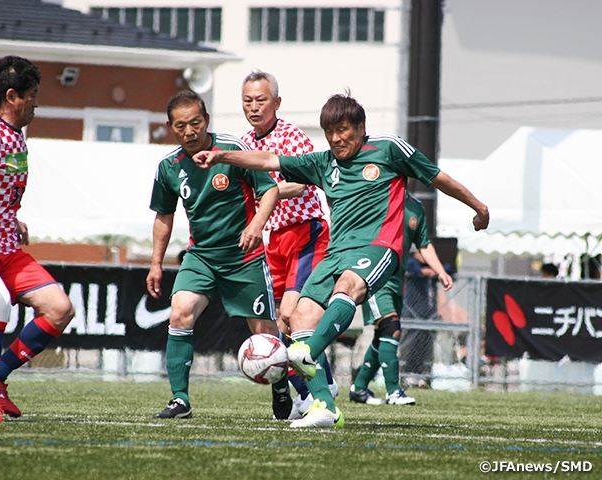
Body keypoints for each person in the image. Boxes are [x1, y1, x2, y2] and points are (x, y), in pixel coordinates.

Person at [193, 92, 489, 428]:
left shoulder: (389, 149)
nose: (336, 138)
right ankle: (325, 407)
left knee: (346, 289)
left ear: (361, 127)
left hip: (377, 249)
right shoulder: (323, 163)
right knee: (299, 316)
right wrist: (220, 156)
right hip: (335, 253)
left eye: (343, 130)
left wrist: (479, 208)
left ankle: (308, 354)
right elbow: (268, 161)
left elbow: (438, 178)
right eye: (330, 132)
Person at [146, 90, 288, 420]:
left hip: (244, 256)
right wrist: (155, 263)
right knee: (179, 313)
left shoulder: (232, 150)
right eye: (181, 125)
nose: (190, 131)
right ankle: (180, 400)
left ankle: (281, 387)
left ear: (206, 120)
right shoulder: (168, 167)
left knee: (264, 331)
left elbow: (270, 189)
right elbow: (163, 217)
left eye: (196, 122)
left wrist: (255, 225)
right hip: (201, 256)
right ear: (171, 127)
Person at [0, 56, 75, 423]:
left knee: (60, 309)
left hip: (6, 247)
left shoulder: (16, 137)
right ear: (12, 96)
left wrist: (12, 218)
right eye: (32, 95)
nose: (36, 103)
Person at [240, 70, 335, 419]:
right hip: (274, 239)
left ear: (276, 103)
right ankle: (307, 390)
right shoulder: (243, 143)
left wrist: (269, 191)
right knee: (277, 325)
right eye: (248, 101)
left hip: (305, 233)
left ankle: (320, 391)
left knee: (292, 315)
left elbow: (305, 182)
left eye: (261, 100)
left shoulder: (292, 136)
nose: (254, 107)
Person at [350, 192, 453, 406]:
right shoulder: (373, 195)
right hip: (375, 278)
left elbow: (423, 243)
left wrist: (440, 271)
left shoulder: (415, 206)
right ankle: (394, 391)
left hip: (397, 282)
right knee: (391, 328)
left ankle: (359, 388)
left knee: (383, 335)